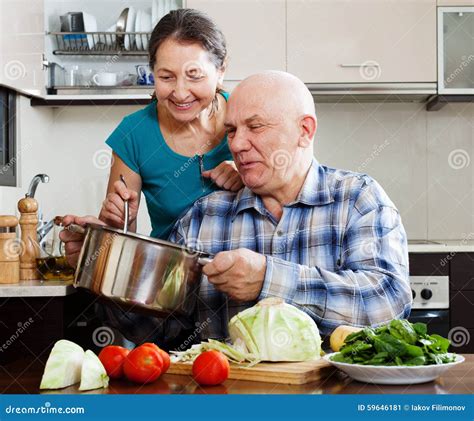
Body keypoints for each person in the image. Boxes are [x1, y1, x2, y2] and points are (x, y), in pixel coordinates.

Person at [64, 71, 412, 349]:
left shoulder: (357, 199)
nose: (238, 144)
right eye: (231, 130)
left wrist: (267, 280)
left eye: (255, 126)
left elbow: (389, 306)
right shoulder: (204, 217)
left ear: (305, 130)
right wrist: (101, 265)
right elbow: (158, 332)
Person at [62, 9, 243, 265]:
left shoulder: (246, 114)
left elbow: (288, 195)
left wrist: (250, 176)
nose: (180, 93)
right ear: (153, 73)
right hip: (172, 282)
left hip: (243, 278)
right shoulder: (134, 135)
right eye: (166, 77)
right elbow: (124, 237)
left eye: (194, 76)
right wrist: (119, 219)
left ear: (221, 71)